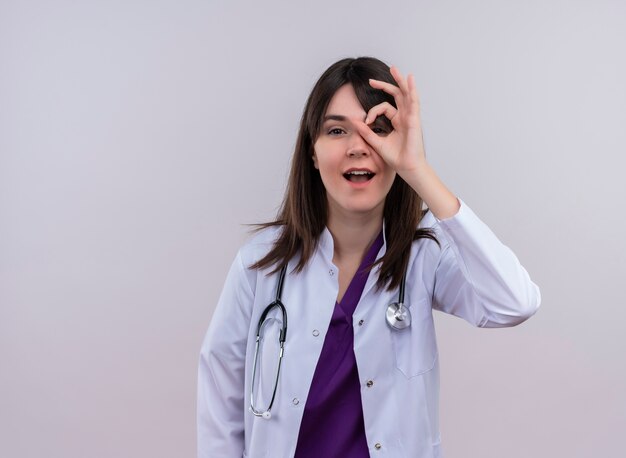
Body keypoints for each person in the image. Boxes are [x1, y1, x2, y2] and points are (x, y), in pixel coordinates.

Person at [197, 56, 541, 458]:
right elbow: (220, 406)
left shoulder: (424, 256)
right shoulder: (260, 264)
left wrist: (418, 170)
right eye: (337, 129)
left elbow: (515, 303)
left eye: (378, 129)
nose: (359, 147)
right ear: (312, 151)